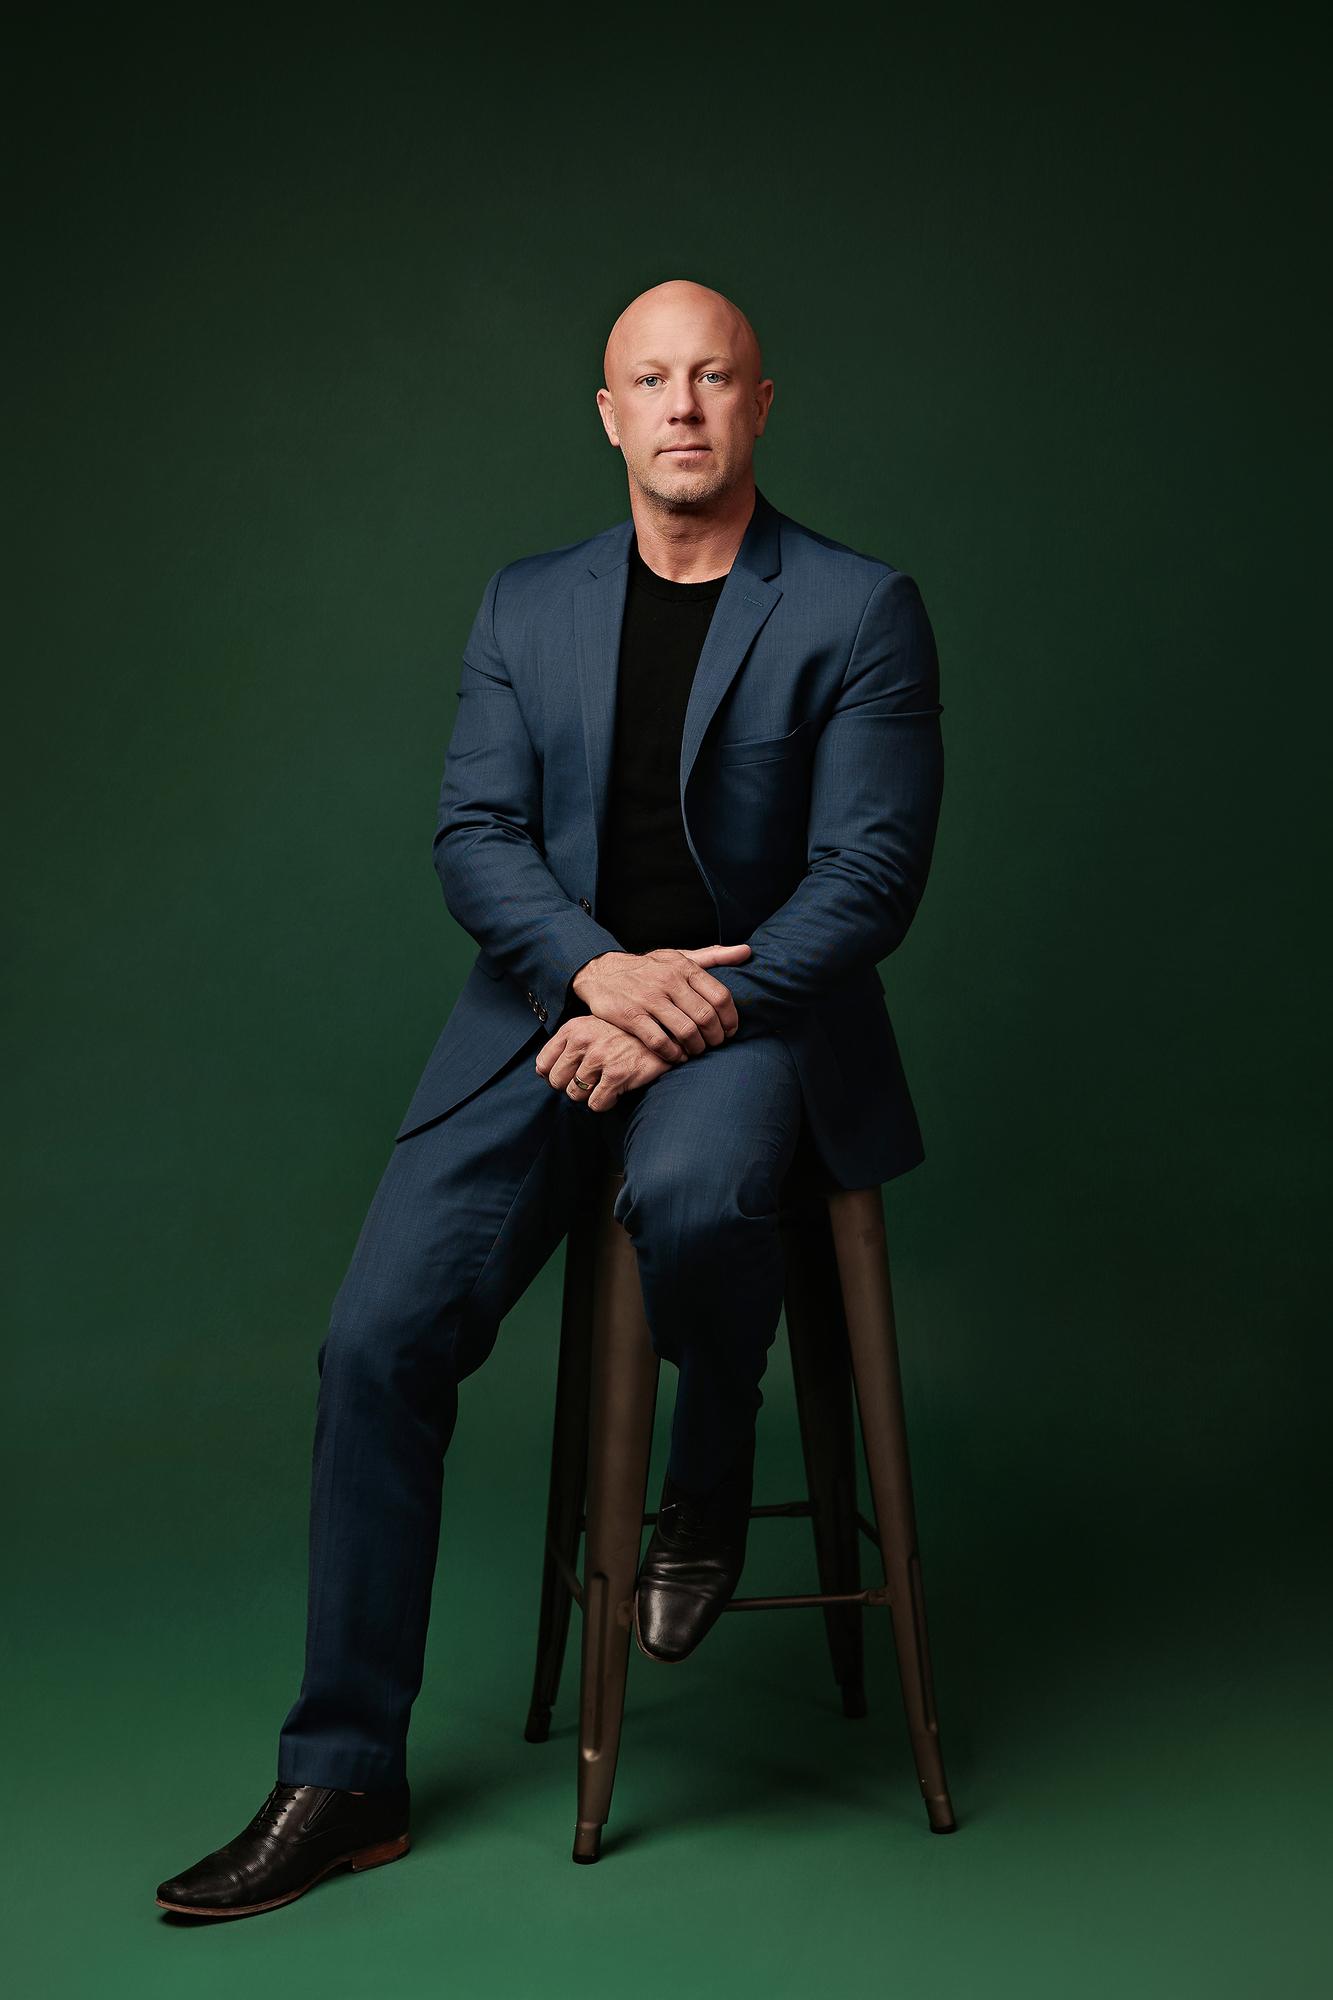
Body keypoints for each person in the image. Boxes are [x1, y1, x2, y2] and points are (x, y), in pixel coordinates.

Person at [155, 278, 944, 1918]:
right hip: (548, 1014)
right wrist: (600, 980)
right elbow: (474, 840)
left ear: (758, 405)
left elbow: (868, 877)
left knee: (689, 1197)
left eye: (710, 376)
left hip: (756, 1024)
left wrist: (696, 1003)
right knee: (373, 1339)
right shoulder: (527, 605)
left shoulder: (859, 608)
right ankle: (342, 1775)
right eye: (648, 380)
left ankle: (711, 1462)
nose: (679, 405)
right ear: (607, 415)